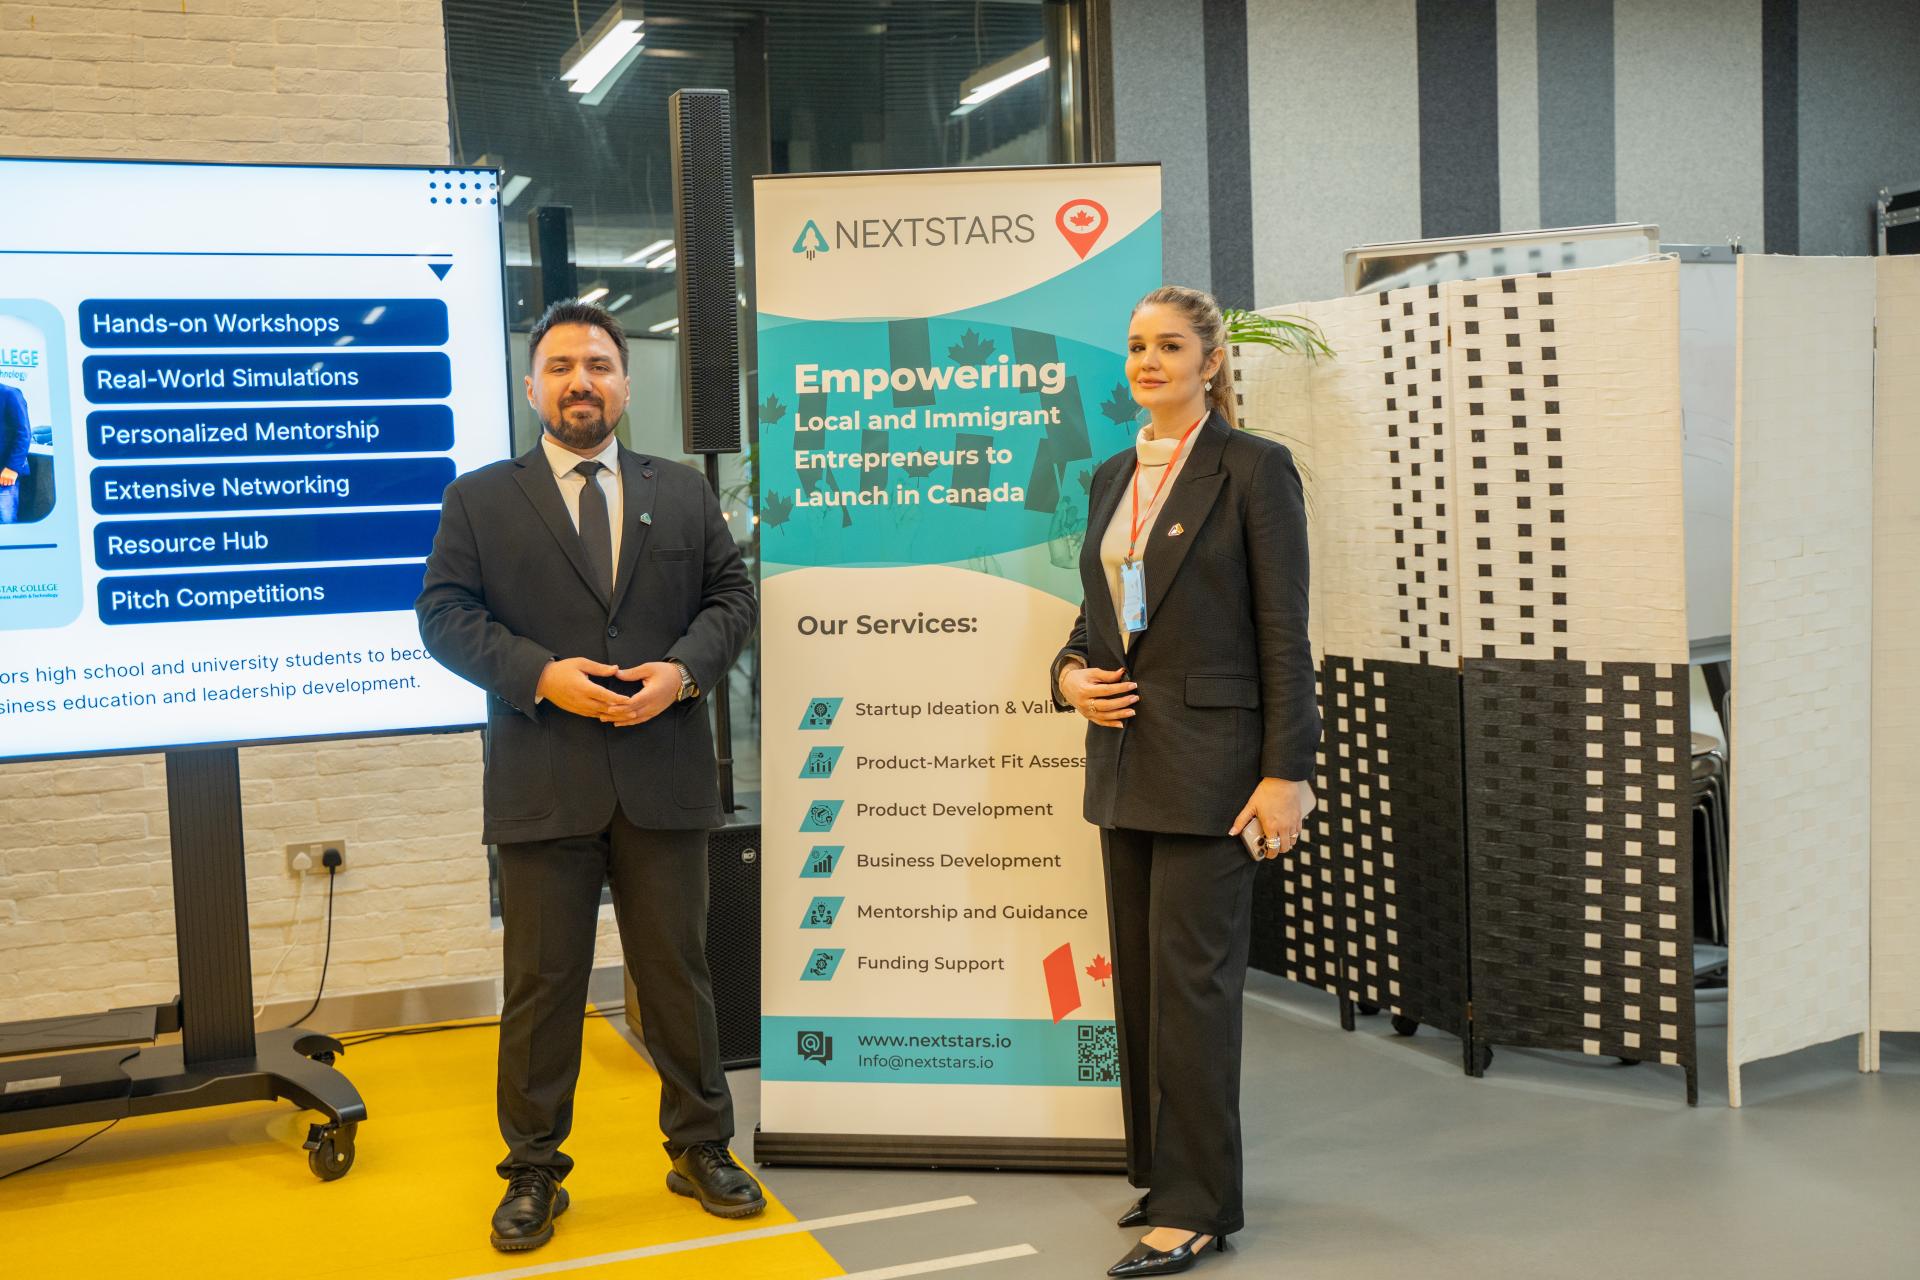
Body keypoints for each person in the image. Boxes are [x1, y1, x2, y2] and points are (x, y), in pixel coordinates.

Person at [417, 299, 762, 1253]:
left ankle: (702, 1147)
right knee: (541, 986)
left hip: (663, 775)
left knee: (679, 975)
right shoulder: (481, 499)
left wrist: (682, 672)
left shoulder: (680, 492)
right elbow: (443, 614)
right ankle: (534, 1170)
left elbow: (732, 597)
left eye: (599, 366)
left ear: (624, 384)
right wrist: (541, 676)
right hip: (544, 777)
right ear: (533, 387)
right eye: (563, 367)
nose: (582, 382)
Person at [1049, 286, 1319, 1277]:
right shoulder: (1111, 475)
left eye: (1169, 345)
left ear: (1211, 361)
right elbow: (1095, 622)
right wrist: (1068, 678)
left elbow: (1284, 632)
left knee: (1195, 992)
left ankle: (1199, 1207)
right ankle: (1166, 1176)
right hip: (1124, 764)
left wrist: (1288, 773)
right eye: (1136, 346)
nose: (1148, 361)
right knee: (1144, 987)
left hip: (1216, 773)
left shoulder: (1254, 468)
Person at [0, 382, 29, 524]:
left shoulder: (10, 394)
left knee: (6, 521)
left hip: (4, 474)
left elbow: (24, 434)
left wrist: (12, 468)